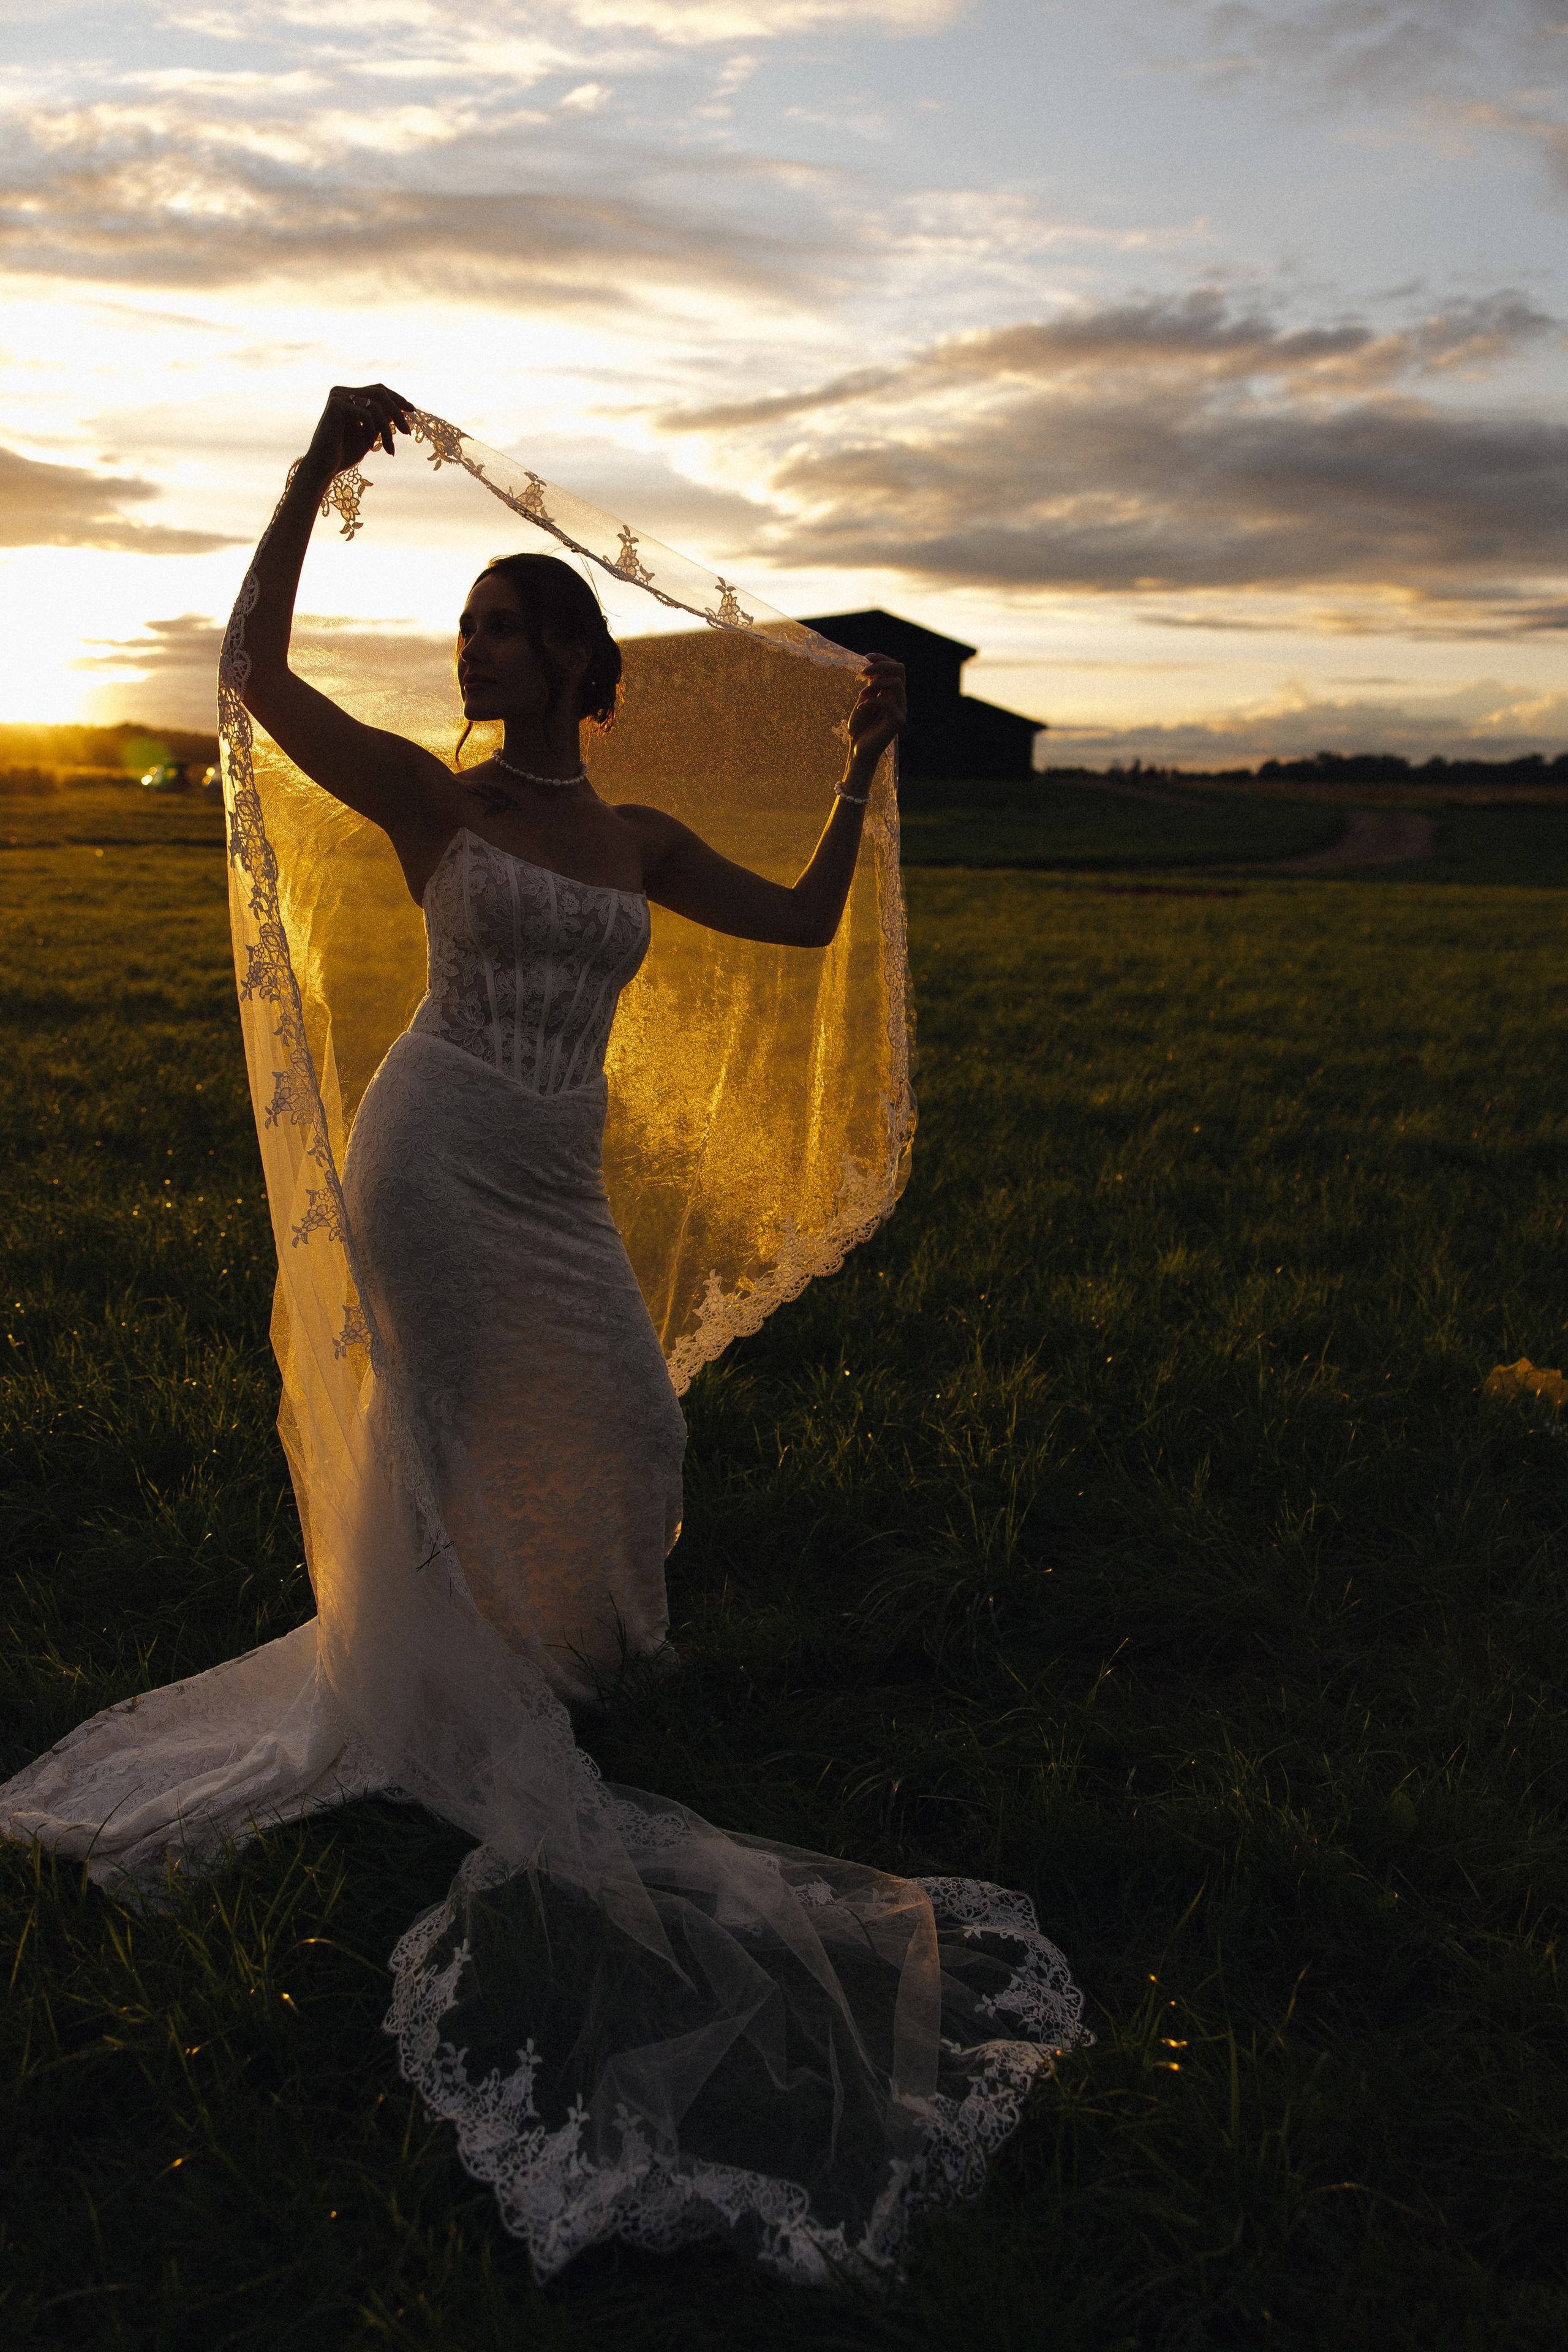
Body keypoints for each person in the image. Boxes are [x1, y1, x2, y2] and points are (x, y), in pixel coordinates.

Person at [2, 385, 1085, 2288]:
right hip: (430, 1158)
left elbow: (817, 922)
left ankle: (562, 1652)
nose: (485, 649)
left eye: (514, 628)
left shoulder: (640, 834)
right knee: (449, 1424)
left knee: (625, 1427)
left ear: (586, 664)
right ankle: (464, 1685)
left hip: (556, 1182)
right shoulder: (440, 798)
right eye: (474, 630)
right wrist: (312, 472)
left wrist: (866, 762)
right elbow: (250, 671)